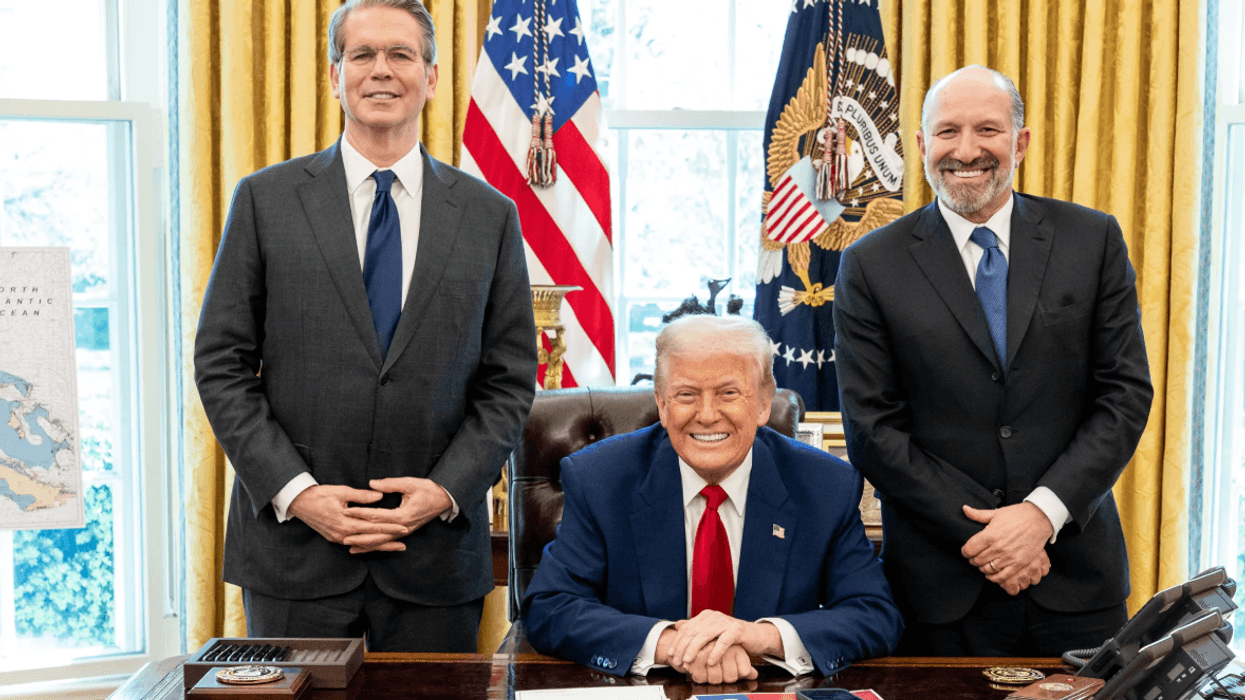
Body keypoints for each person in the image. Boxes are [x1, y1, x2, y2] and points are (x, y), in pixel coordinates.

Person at [193, 0, 537, 651]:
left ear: (431, 77)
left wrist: (442, 492)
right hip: (294, 558)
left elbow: (510, 381)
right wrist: (299, 494)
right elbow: (221, 365)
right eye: (363, 54)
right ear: (334, 75)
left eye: (401, 54)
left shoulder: (490, 216)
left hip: (432, 561)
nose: (382, 71)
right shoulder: (264, 200)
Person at [833, 65, 1153, 656]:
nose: (967, 150)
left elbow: (1124, 396)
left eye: (988, 130)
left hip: (1077, 578)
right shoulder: (870, 264)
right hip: (940, 588)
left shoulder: (1093, 240)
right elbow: (874, 431)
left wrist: (1039, 516)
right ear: (922, 145)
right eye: (947, 132)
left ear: (1020, 142)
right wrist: (989, 536)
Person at [522, 315, 902, 684]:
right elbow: (550, 606)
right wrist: (672, 644)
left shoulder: (825, 486)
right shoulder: (600, 479)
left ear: (764, 402)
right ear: (662, 403)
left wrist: (759, 637)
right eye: (686, 395)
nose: (706, 415)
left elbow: (873, 614)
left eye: (729, 393)